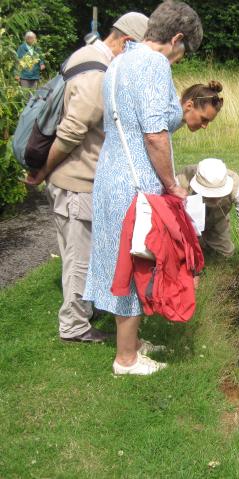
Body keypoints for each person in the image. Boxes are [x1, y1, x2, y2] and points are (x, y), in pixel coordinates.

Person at [83, 1, 214, 376]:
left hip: (110, 171)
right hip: (135, 179)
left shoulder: (121, 58)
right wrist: (172, 184)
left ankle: (132, 342)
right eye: (184, 49)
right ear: (176, 38)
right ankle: (125, 359)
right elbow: (155, 136)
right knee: (135, 259)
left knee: (125, 254)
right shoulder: (154, 64)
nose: (181, 57)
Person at [25, 12, 149, 344]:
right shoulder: (98, 73)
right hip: (76, 181)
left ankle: (84, 313)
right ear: (126, 42)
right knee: (81, 259)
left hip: (71, 180)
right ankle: (75, 327)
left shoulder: (86, 54)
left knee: (75, 254)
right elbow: (70, 132)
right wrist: (44, 171)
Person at [176, 158, 239, 298]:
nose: (214, 199)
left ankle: (205, 243)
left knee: (225, 254)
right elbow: (171, 223)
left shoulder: (238, 186)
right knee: (182, 258)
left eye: (218, 194)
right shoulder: (182, 181)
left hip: (217, 219)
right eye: (209, 194)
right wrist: (190, 268)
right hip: (185, 222)